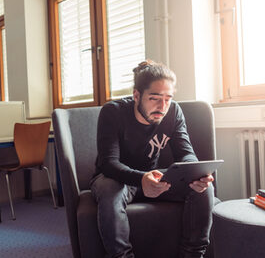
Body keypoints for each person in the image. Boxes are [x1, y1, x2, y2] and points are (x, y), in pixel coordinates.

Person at [90, 59, 214, 258]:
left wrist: (195, 173)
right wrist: (141, 179)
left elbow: (185, 153)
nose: (162, 106)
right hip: (116, 178)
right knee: (109, 188)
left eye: (168, 98)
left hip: (154, 178)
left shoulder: (173, 112)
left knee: (204, 189)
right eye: (155, 98)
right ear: (137, 95)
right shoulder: (113, 112)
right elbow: (108, 163)